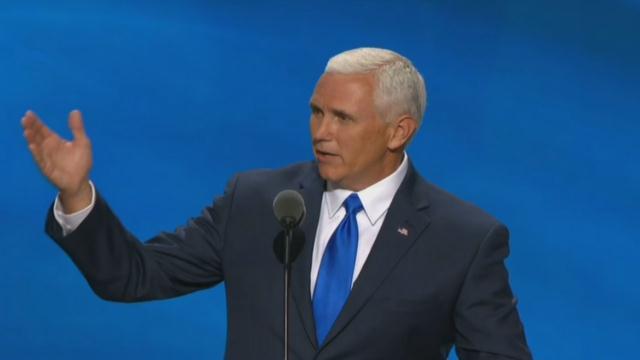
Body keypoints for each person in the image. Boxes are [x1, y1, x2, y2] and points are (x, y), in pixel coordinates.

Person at [22, 48, 532, 359]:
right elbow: (134, 276)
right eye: (316, 112)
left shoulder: (462, 239)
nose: (321, 133)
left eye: (343, 118)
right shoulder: (259, 201)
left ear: (399, 130)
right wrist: (75, 193)